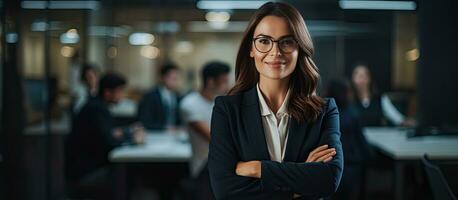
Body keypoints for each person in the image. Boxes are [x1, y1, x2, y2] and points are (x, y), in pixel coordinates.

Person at [208, 2, 343, 199]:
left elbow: (328, 180)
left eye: (286, 42)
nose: (275, 52)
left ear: (300, 49)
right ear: (251, 49)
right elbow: (225, 190)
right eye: (264, 41)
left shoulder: (323, 111)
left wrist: (258, 168)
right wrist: (300, 181)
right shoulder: (227, 110)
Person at [66, 73, 145, 187]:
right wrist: (133, 139)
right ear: (108, 93)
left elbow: (111, 133)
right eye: (120, 91)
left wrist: (122, 133)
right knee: (129, 171)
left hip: (87, 167)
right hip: (86, 172)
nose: (122, 95)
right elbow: (110, 141)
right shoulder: (97, 109)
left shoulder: (97, 105)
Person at [179, 61, 231, 199]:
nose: (227, 86)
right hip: (204, 166)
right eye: (224, 82)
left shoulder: (221, 102)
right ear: (210, 81)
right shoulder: (189, 104)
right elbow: (214, 138)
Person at [326, 79, 372, 200]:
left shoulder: (323, 114)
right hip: (351, 167)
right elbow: (361, 142)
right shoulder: (353, 114)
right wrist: (371, 157)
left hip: (329, 168)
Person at [351, 64, 416, 127]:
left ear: (369, 78)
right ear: (352, 79)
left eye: (364, 75)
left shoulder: (380, 99)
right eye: (358, 75)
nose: (361, 79)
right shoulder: (348, 100)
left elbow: (397, 119)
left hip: (376, 137)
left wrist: (411, 123)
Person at [138, 63, 181, 130]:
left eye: (176, 78)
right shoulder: (150, 96)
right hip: (155, 134)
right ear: (163, 77)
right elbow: (145, 121)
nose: (175, 82)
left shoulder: (177, 96)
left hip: (174, 134)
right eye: (173, 78)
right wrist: (164, 128)